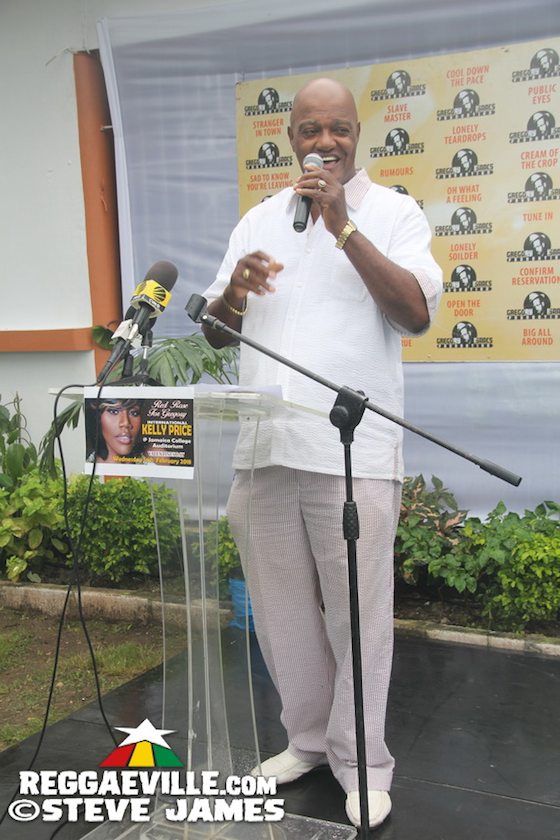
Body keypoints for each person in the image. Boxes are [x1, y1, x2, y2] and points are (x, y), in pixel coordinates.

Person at [201, 77, 442, 829]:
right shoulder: (259, 220)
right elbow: (215, 328)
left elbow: (415, 313)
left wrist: (345, 227)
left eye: (337, 128)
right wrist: (233, 293)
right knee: (279, 615)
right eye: (310, 129)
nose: (324, 142)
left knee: (356, 616)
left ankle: (363, 761)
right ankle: (307, 740)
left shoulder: (395, 214)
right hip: (264, 446)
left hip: (352, 454)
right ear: (291, 135)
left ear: (357, 133)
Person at [86, 398, 143, 464]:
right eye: (114, 412)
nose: (126, 423)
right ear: (98, 418)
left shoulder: (152, 462)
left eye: (134, 413)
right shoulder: (83, 469)